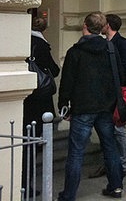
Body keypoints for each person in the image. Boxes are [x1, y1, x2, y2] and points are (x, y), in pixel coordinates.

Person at [57, 12, 124, 200]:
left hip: (83, 107)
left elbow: (67, 81)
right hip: (105, 107)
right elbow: (119, 76)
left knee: (76, 152)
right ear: (102, 27)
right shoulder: (110, 48)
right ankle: (116, 186)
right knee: (110, 147)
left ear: (85, 25)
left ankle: (69, 194)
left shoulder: (75, 51)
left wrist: (63, 105)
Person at [90, 14, 126, 179]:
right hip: (104, 93)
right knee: (106, 129)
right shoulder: (103, 44)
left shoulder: (123, 44)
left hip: (119, 93)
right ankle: (108, 164)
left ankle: (121, 165)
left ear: (107, 25)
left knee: (118, 130)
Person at [23, 17, 60, 196]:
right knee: (34, 143)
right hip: (39, 100)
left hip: (24, 97)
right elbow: (54, 69)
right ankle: (26, 183)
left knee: (25, 141)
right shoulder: (41, 44)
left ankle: (22, 182)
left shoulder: (21, 40)